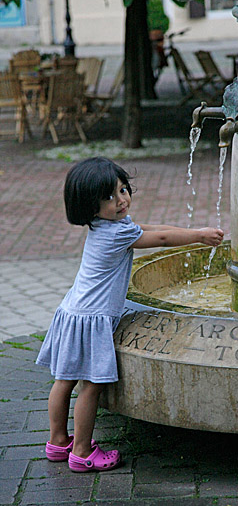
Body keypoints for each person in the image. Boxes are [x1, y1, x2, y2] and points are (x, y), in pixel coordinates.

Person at [36, 156, 224, 473]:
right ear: (89, 205)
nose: (121, 200)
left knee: (63, 381)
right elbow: (160, 239)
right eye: (109, 197)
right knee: (91, 387)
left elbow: (148, 228)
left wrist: (191, 229)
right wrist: (198, 236)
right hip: (94, 320)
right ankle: (82, 452)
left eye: (123, 190)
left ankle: (57, 442)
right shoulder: (116, 234)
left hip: (73, 311)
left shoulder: (105, 224)